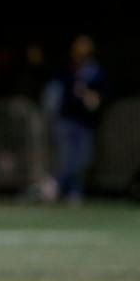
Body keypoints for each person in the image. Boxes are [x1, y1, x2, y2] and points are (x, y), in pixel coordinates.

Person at [42, 35, 107, 203]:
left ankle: (57, 183)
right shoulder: (67, 70)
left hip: (85, 122)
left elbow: (99, 98)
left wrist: (90, 96)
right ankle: (72, 192)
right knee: (67, 157)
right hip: (65, 120)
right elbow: (54, 93)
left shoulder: (96, 73)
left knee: (84, 159)